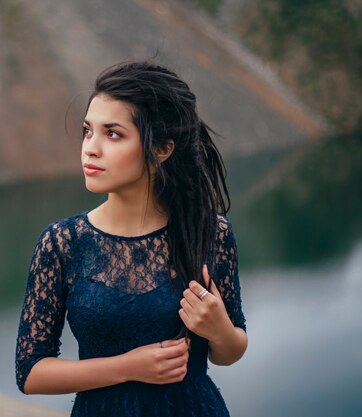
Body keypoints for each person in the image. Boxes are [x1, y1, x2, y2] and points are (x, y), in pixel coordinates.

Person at [14, 60, 248, 416]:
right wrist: (127, 367)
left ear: (162, 149)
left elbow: (230, 352)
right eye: (87, 130)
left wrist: (220, 329)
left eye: (113, 134)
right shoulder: (63, 243)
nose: (90, 148)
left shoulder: (209, 232)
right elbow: (29, 373)